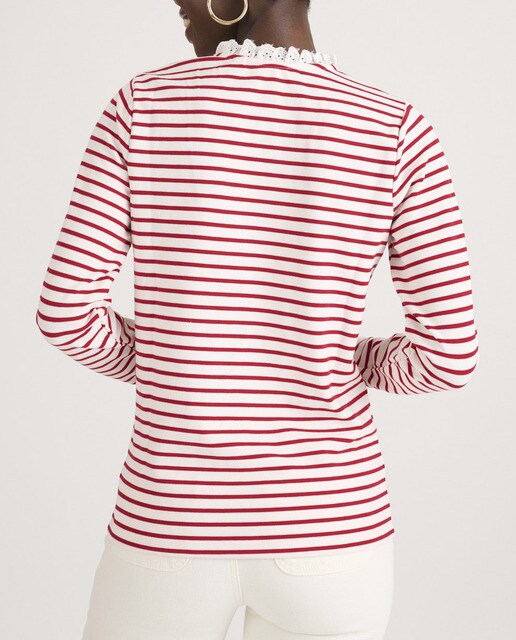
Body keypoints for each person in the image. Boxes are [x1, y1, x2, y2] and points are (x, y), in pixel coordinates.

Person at [35, 1, 480, 638]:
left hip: (172, 519)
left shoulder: (144, 106)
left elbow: (65, 314)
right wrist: (340, 358)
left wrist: (177, 361)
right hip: (332, 527)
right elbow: (449, 357)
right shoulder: (396, 128)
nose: (178, 1)